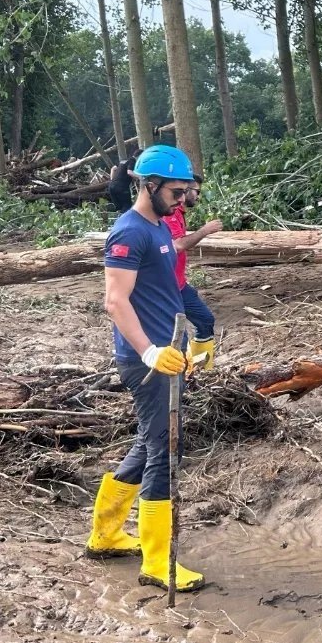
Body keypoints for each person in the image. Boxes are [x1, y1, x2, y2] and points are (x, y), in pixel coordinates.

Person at [85, 143, 205, 593]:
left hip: (167, 354)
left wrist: (193, 336)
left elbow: (166, 292)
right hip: (147, 362)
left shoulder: (157, 228)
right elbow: (115, 301)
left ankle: (105, 534)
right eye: (176, 191)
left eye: (185, 191)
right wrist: (150, 352)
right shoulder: (129, 232)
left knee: (149, 441)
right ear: (149, 185)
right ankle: (157, 562)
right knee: (163, 452)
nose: (182, 199)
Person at [162, 176, 222, 370]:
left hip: (179, 284)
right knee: (179, 336)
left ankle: (201, 369)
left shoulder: (178, 213)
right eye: (197, 191)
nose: (198, 196)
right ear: (185, 190)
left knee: (205, 320)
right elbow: (178, 245)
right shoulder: (170, 214)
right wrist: (204, 231)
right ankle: (185, 372)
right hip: (168, 288)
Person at [106, 148, 141, 214]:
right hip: (121, 188)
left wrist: (112, 179)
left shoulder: (124, 161)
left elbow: (113, 168)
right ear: (139, 156)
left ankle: (115, 213)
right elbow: (129, 172)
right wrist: (140, 177)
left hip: (111, 186)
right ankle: (122, 217)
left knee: (119, 208)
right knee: (127, 206)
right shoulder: (132, 161)